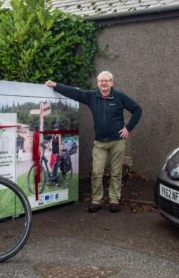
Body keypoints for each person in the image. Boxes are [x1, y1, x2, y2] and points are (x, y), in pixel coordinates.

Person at [45, 71, 142, 213]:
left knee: (116, 173)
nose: (104, 83)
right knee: (97, 172)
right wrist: (56, 86)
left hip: (117, 141)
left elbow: (137, 109)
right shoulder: (92, 96)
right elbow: (74, 93)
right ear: (97, 83)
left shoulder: (119, 97)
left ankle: (114, 200)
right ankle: (97, 200)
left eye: (107, 80)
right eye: (101, 80)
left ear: (111, 83)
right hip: (100, 143)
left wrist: (128, 128)